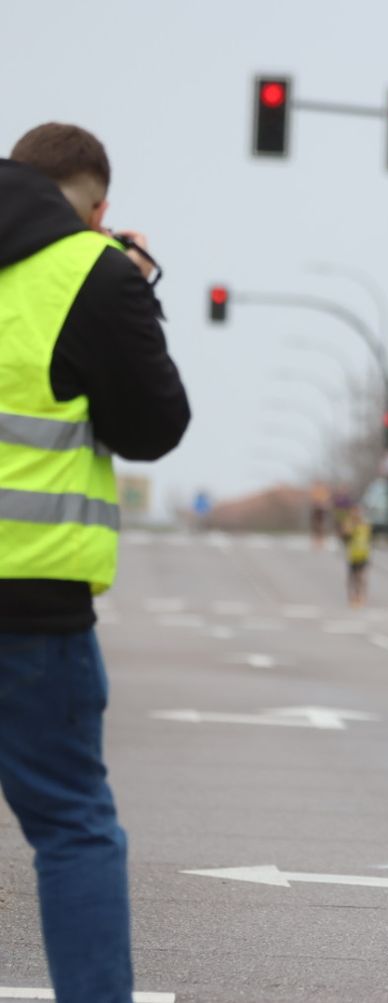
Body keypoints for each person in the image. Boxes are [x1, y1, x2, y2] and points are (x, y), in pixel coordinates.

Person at [0, 124, 190, 1002]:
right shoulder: (92, 273)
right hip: (30, 602)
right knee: (73, 827)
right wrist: (136, 287)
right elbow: (153, 426)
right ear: (96, 206)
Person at [345, 511, 372, 607]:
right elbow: (345, 537)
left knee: (360, 577)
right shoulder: (350, 528)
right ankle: (354, 596)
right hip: (353, 556)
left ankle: (360, 595)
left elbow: (368, 538)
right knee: (353, 578)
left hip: (363, 555)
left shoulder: (364, 527)